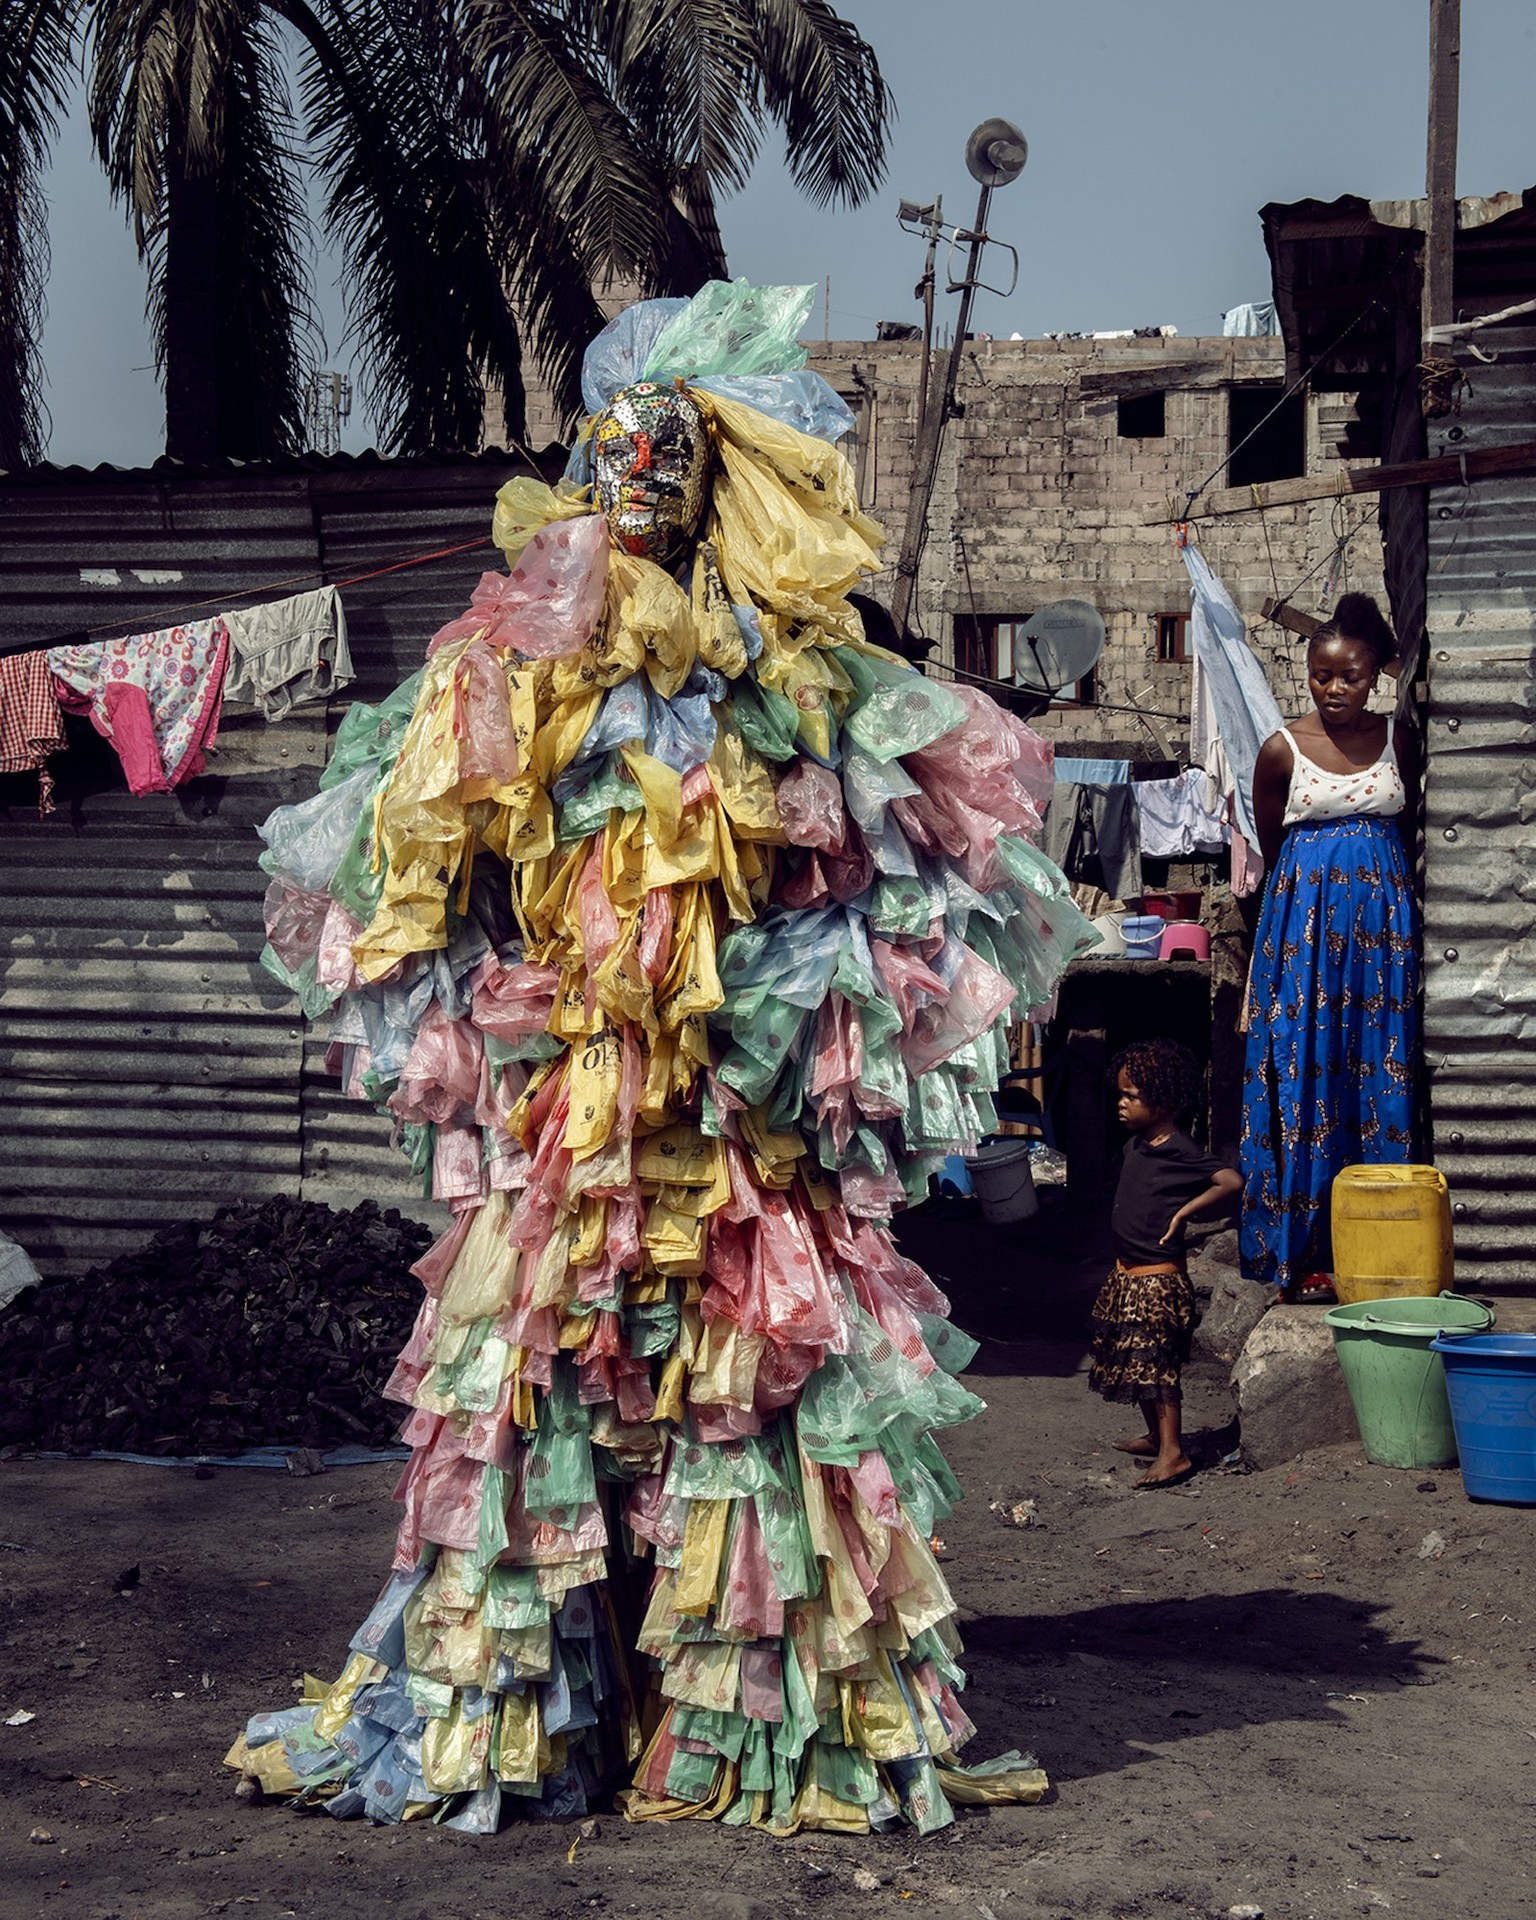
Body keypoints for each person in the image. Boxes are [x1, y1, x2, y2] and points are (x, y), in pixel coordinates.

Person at [1243, 593, 1420, 1299]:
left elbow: (1412, 830)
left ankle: (1382, 1251)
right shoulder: (1280, 751)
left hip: (1382, 942)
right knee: (1305, 1071)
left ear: (1374, 673)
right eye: (1321, 675)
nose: (1334, 688)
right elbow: (1270, 844)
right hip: (1303, 938)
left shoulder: (1399, 740)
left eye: (1349, 675)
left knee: (1376, 1070)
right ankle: (1302, 1251)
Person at [1089, 1039, 1243, 1488]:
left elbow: (1230, 1180)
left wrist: (1183, 1213)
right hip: (1127, 1273)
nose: (1121, 1103)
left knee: (1156, 1364)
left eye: (1131, 1096)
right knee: (1134, 1358)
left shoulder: (1181, 1149)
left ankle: (1174, 1454)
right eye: (1120, 1094)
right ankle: (1158, 1436)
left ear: (1163, 1102)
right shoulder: (1138, 1145)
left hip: (1158, 1281)